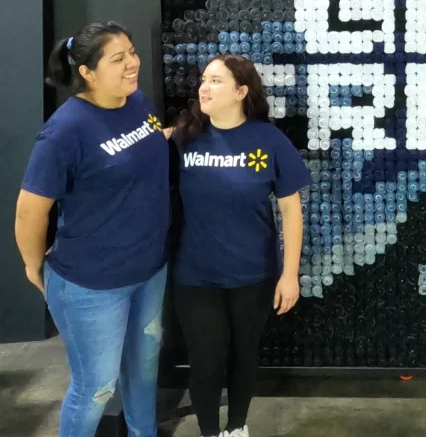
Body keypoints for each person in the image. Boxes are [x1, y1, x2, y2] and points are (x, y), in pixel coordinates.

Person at [14, 22, 171, 437]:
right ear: (87, 72)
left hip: (149, 270)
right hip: (91, 284)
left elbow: (145, 149)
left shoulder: (138, 102)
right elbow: (30, 211)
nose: (133, 63)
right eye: (118, 59)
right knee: (96, 389)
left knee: (142, 374)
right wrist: (33, 265)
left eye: (132, 53)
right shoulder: (65, 130)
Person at [171, 55, 308, 437]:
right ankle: (210, 432)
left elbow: (291, 212)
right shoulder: (185, 137)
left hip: (253, 274)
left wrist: (290, 275)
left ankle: (237, 426)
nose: (204, 87)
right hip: (195, 276)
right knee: (206, 361)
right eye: (203, 79)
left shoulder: (268, 139)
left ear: (241, 91)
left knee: (244, 355)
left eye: (216, 81)